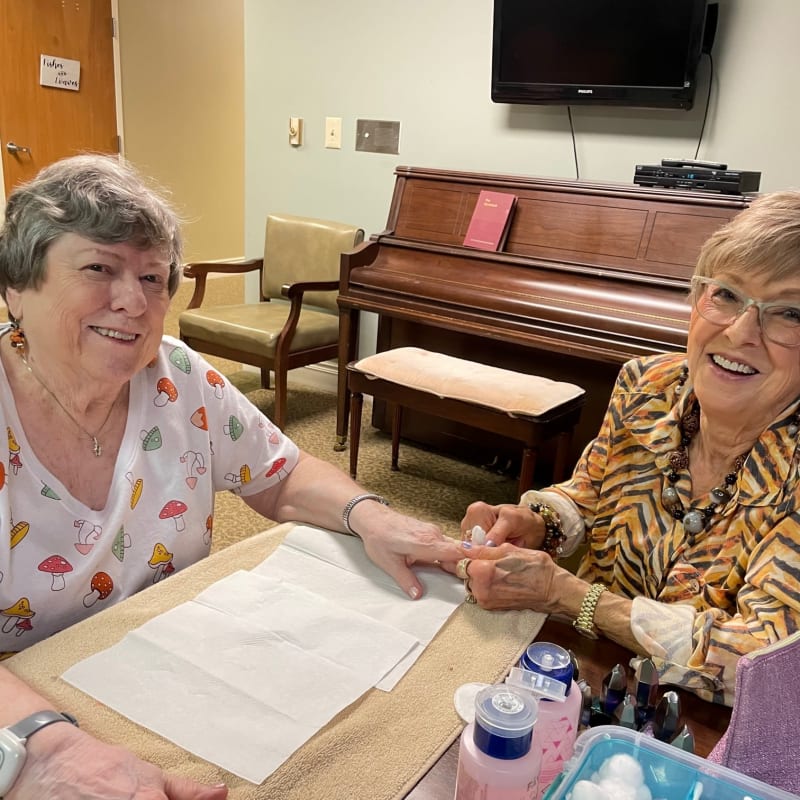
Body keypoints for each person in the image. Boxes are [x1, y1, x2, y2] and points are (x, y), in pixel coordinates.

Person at [0, 154, 464, 799]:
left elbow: (280, 472)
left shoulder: (179, 376)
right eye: (98, 268)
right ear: (16, 286)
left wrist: (372, 516)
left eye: (154, 277)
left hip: (175, 672)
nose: (134, 301)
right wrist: (46, 746)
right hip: (27, 716)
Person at [459, 190, 800, 707]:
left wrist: (569, 596)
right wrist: (540, 522)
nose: (740, 331)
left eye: (789, 313)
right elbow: (588, 493)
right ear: (696, 299)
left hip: (702, 729)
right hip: (591, 676)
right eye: (726, 294)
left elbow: (758, 663)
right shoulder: (649, 384)